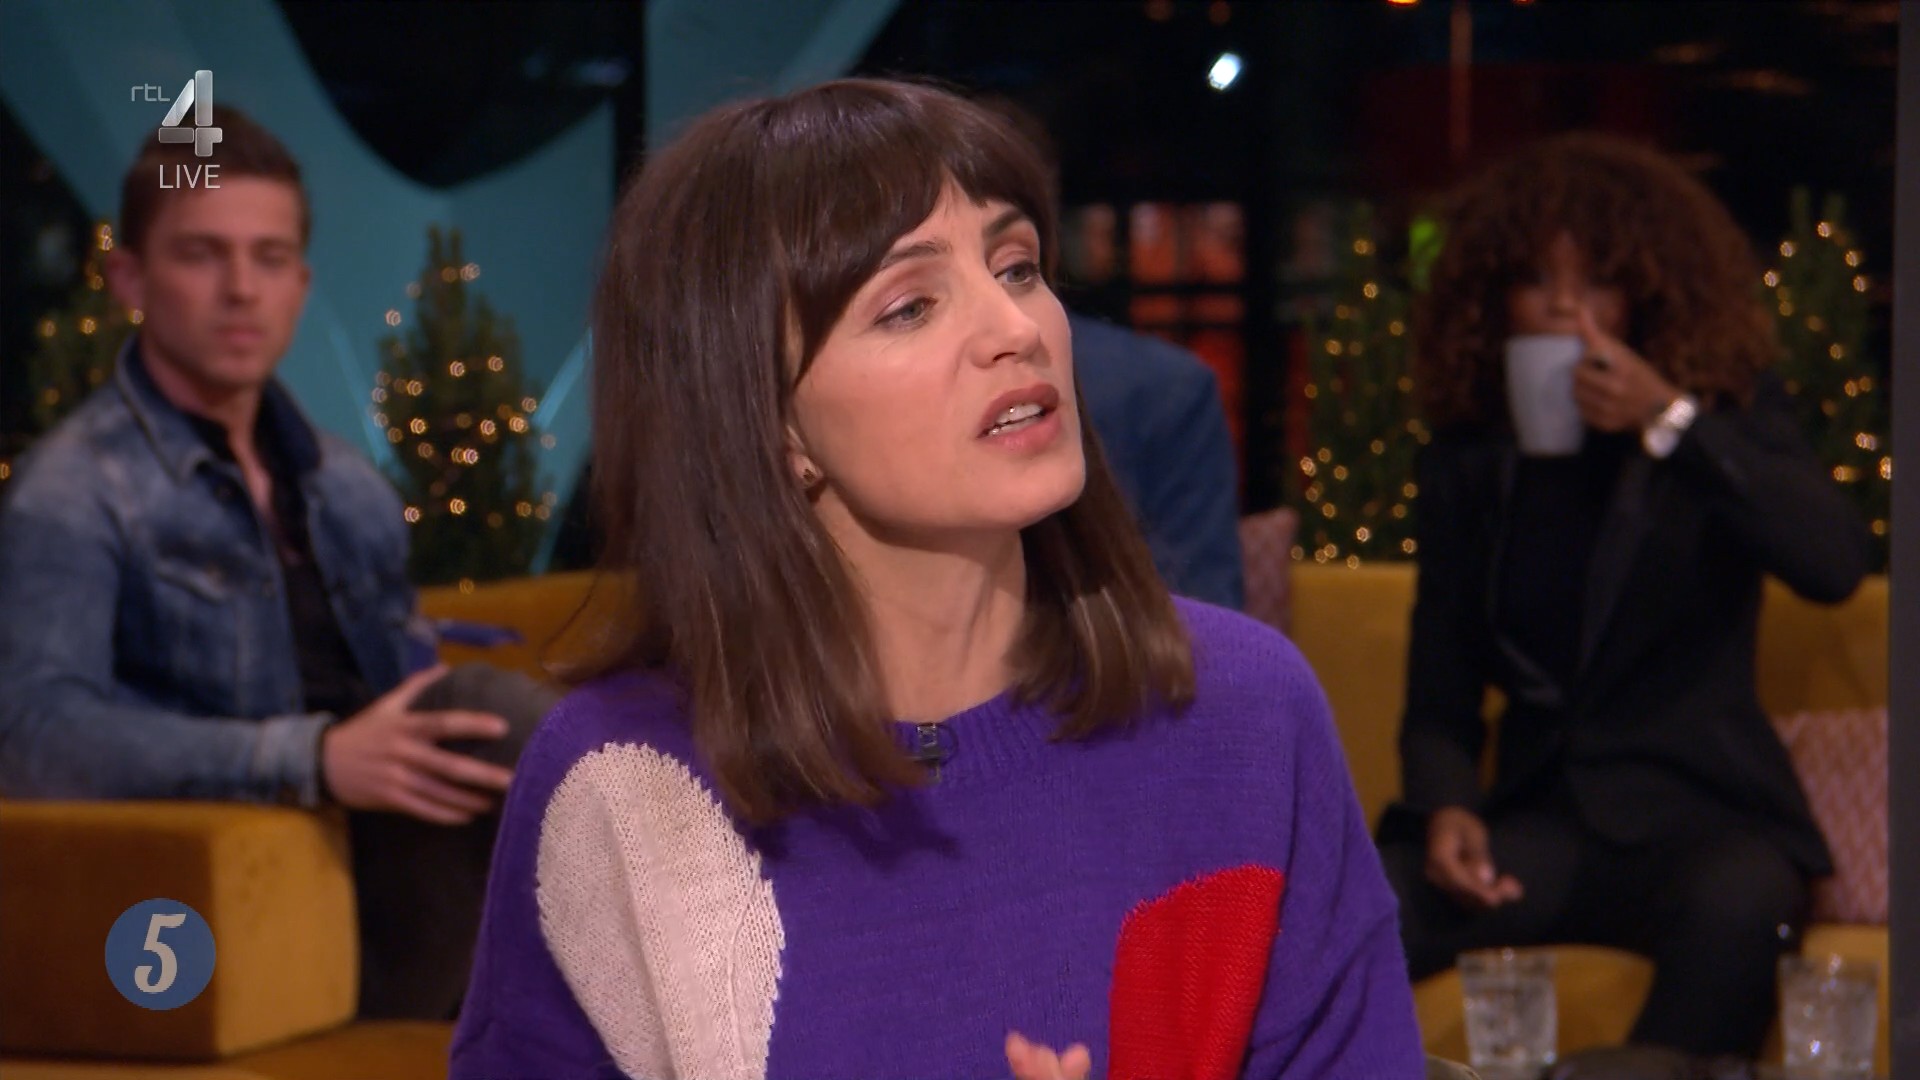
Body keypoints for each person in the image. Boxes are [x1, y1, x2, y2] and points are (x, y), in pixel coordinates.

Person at [449, 79, 1422, 1080]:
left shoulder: (1245, 717)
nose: (1015, 327)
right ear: (768, 424)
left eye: (1018, 266)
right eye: (910, 305)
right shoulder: (618, 784)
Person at [0, 106, 556, 1021]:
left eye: (269, 258)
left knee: (556, 721)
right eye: (201, 254)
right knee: (512, 722)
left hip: (409, 864)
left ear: (301, 284)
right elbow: (33, 739)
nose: (240, 290)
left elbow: (399, 683)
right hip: (237, 908)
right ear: (129, 279)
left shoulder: (345, 484)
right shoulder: (72, 492)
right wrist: (310, 757)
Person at [1378, 133, 1875, 1058]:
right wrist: (1449, 809)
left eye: (1599, 282)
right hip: (1541, 825)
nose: (1566, 309)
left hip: (1705, 818)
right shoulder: (1468, 460)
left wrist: (1667, 418)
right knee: (1371, 901)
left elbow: (1834, 563)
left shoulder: (1719, 418)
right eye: (1537, 281)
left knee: (1743, 905)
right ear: (1495, 301)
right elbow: (1439, 691)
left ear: (1647, 296)